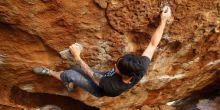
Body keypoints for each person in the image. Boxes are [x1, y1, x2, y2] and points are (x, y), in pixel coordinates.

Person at [33, 6, 172, 97]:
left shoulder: (112, 86)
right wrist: (163, 21)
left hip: (99, 88)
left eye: (117, 66)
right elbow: (153, 44)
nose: (115, 65)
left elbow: (91, 74)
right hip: (105, 77)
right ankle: (69, 81)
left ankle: (50, 73)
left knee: (71, 73)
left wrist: (77, 56)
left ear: (122, 73)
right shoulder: (140, 66)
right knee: (76, 69)